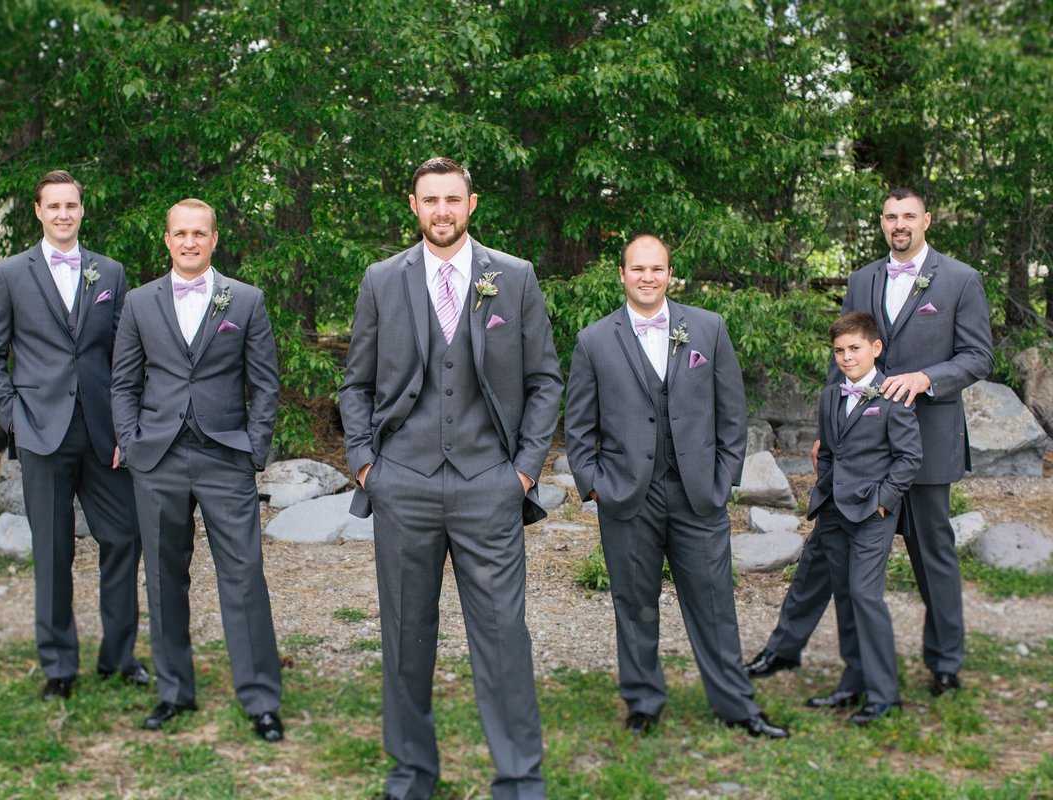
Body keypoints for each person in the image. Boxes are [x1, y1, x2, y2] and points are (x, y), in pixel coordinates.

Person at [339, 157, 562, 800]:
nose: (441, 210)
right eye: (430, 200)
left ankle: (519, 776)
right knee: (406, 636)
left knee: (502, 636)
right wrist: (365, 465)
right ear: (413, 205)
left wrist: (522, 471)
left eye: (452, 199)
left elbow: (545, 379)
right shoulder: (383, 279)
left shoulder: (512, 277)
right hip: (401, 481)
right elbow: (355, 384)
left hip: (489, 483)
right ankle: (411, 771)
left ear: (472, 204)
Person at [746, 188, 994, 697]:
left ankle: (945, 662)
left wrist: (925, 378)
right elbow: (845, 352)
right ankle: (783, 648)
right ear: (882, 223)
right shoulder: (862, 279)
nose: (899, 224)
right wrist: (827, 430)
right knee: (823, 552)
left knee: (932, 556)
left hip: (923, 444)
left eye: (908, 215)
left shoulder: (961, 279)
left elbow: (977, 357)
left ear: (927, 219)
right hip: (856, 447)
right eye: (890, 216)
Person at [563, 234, 789, 739]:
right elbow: (578, 427)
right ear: (621, 274)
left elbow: (732, 415)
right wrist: (595, 486)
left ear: (670, 274)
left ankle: (737, 706)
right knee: (635, 605)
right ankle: (643, 703)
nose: (647, 277)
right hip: (626, 497)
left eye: (657, 269)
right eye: (637, 269)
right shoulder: (594, 340)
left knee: (714, 606)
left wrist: (724, 479)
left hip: (697, 495)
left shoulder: (706, 329)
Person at [110, 198, 284, 739]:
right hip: (157, 458)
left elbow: (266, 382)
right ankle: (173, 692)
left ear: (214, 239)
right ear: (167, 239)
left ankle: (260, 700)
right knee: (163, 579)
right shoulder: (138, 303)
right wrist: (132, 444)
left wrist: (254, 448)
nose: (189, 242)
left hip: (225, 455)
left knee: (243, 576)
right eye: (180, 233)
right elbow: (122, 383)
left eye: (199, 233)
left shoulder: (246, 301)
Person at [0, 169, 145, 701]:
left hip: (103, 433)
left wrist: (127, 423)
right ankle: (58, 666)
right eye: (54, 206)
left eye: (71, 205)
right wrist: (14, 419)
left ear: (82, 210)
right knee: (52, 554)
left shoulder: (109, 273)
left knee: (124, 538)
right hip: (41, 433)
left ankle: (117, 657)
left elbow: (125, 355)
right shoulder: (9, 274)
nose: (64, 214)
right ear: (38, 211)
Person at [804, 312, 922, 724]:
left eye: (854, 349)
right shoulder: (830, 395)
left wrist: (884, 502)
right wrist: (825, 491)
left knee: (866, 596)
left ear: (875, 348)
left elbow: (910, 458)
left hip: (873, 512)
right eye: (839, 351)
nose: (846, 357)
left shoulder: (892, 395)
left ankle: (884, 694)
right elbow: (829, 452)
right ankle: (853, 682)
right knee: (845, 596)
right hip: (836, 510)